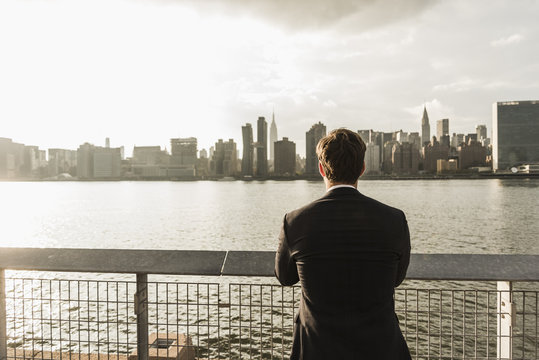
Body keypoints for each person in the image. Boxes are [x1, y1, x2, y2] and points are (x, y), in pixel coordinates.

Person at [275, 128, 411, 359]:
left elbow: (285, 277)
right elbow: (396, 278)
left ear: (321, 169)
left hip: (317, 350)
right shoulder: (394, 219)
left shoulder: (295, 221)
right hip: (381, 349)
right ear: (362, 169)